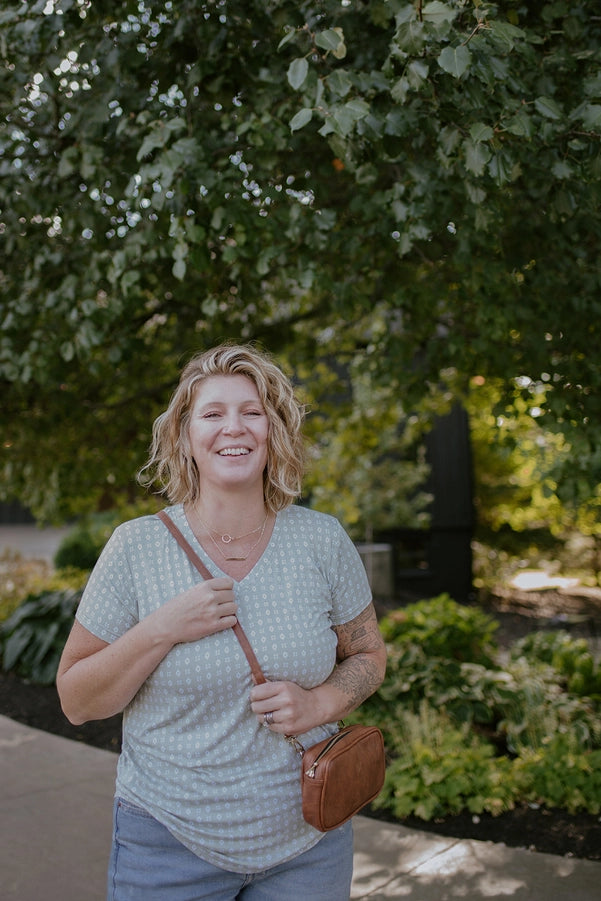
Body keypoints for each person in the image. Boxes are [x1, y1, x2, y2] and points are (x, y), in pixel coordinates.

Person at [57, 343, 387, 901]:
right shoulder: (135, 548)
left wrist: (320, 704)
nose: (233, 427)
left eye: (251, 412)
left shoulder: (321, 540)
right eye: (212, 413)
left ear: (273, 430)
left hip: (310, 846)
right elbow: (76, 701)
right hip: (167, 848)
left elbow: (368, 655)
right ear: (184, 436)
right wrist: (161, 628)